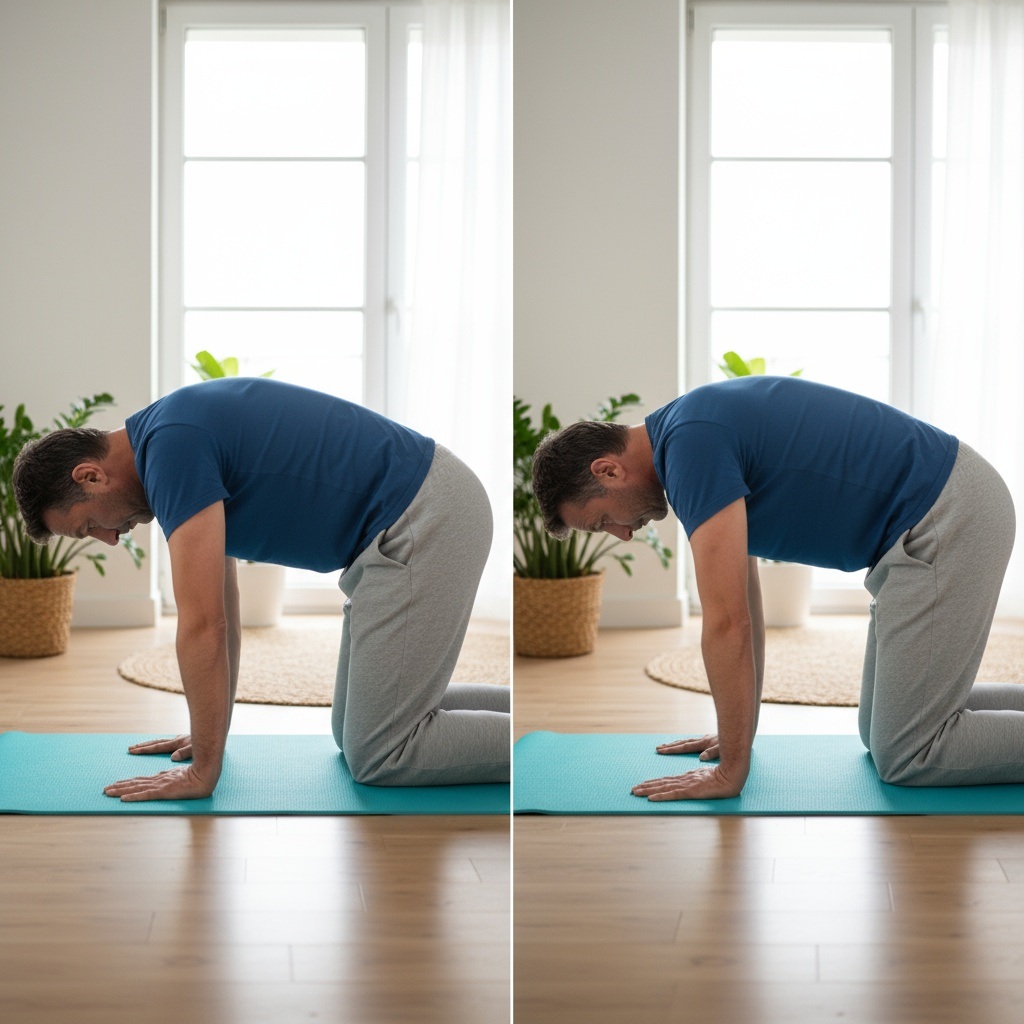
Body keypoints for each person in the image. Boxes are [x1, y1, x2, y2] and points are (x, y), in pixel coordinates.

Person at [13, 377, 510, 801]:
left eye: (87, 526)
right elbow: (222, 606)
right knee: (351, 730)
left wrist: (203, 771)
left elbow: (203, 625)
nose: (109, 538)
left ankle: (526, 744)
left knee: (380, 753)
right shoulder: (167, 440)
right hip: (411, 518)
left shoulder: (171, 449)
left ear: (90, 476)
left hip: (425, 517)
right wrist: (210, 737)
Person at [532, 374, 1023, 801]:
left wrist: (731, 772)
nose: (621, 534)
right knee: (879, 732)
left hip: (947, 514)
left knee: (908, 753)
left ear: (608, 470)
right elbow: (744, 605)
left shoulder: (690, 447)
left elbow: (727, 624)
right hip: (933, 516)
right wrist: (736, 737)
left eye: (601, 521)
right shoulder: (686, 437)